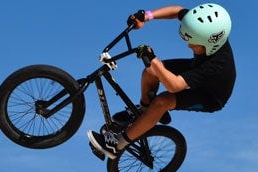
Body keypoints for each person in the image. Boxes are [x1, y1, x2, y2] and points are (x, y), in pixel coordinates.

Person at [88, 3, 236, 160]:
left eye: (193, 42)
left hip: (210, 95)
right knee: (150, 71)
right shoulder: (205, 28)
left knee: (162, 101)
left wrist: (154, 59)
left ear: (210, 44)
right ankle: (145, 111)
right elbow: (177, 11)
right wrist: (147, 16)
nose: (188, 44)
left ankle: (117, 145)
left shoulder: (216, 64)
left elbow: (174, 86)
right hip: (196, 68)